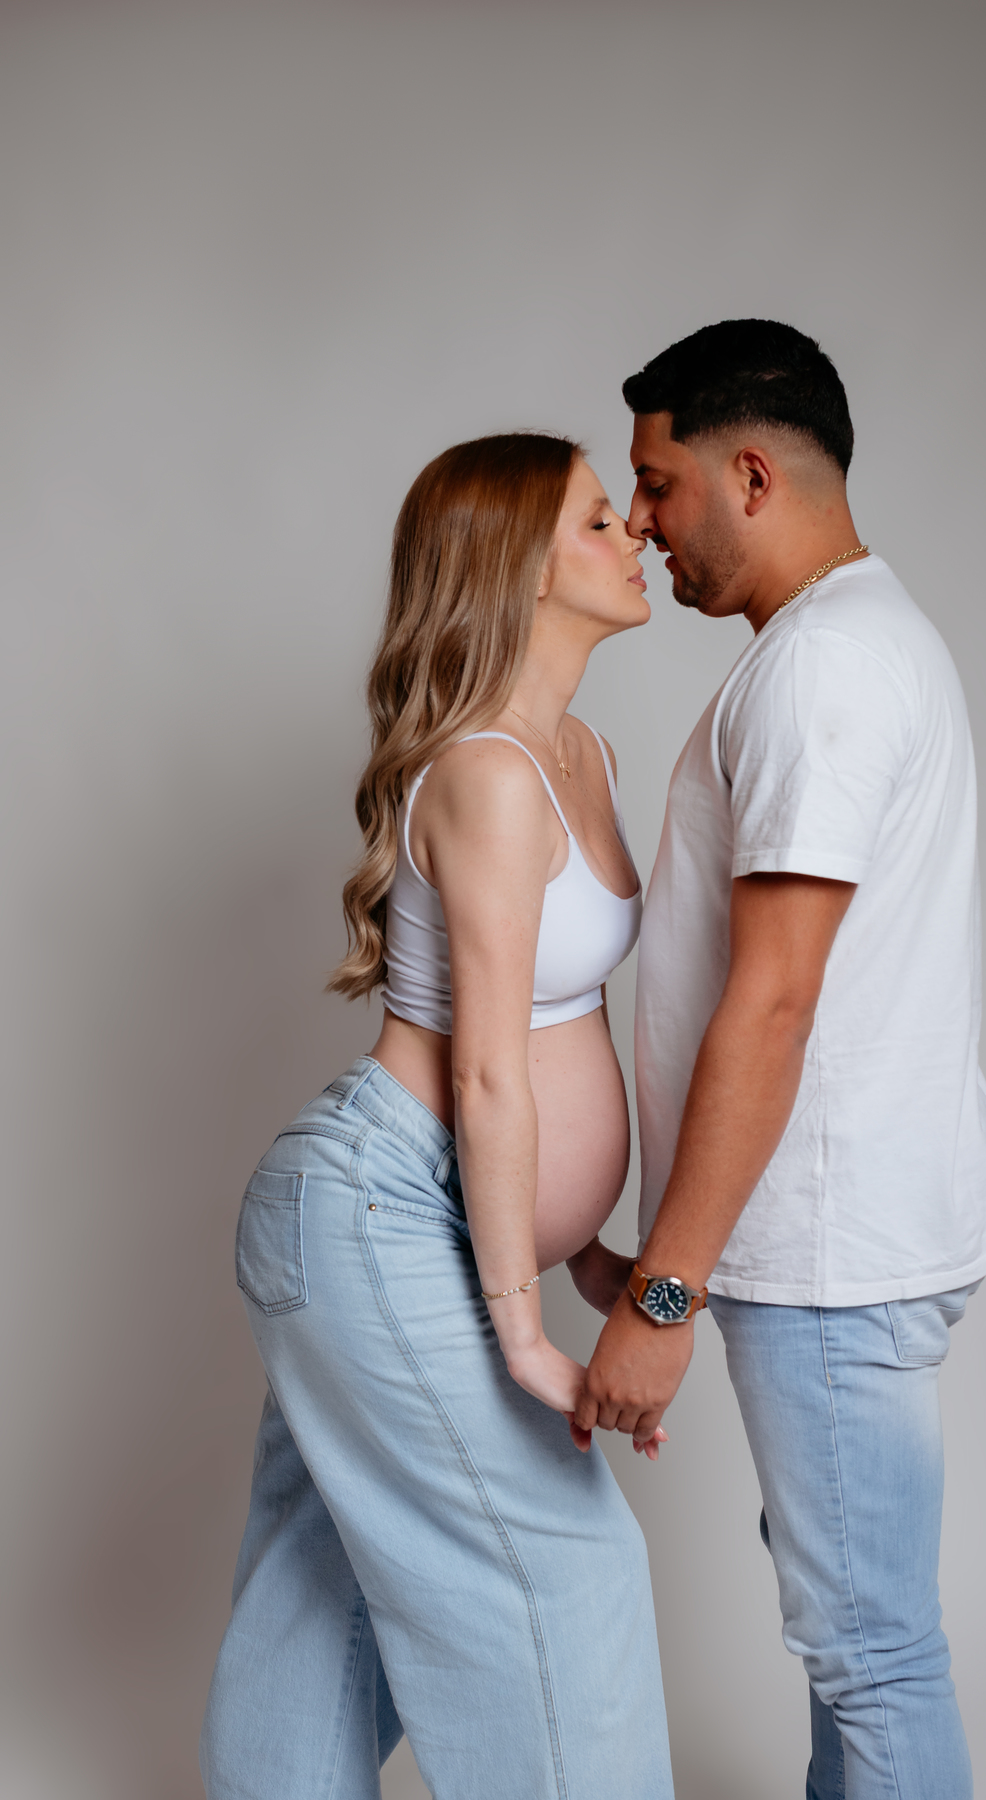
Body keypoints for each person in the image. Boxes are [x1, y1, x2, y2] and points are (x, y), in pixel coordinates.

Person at [575, 321, 986, 1800]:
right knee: (857, 1650)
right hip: (847, 1235)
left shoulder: (822, 669)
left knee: (871, 1655)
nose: (642, 522)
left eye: (658, 484)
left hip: (830, 1255)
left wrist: (666, 1291)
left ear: (752, 474)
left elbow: (773, 1005)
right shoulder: (860, 640)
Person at [200, 433, 674, 1800]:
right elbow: (486, 1073)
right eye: (600, 519)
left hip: (433, 1214)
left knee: (321, 1602)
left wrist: (586, 1247)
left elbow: (564, 1025)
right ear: (521, 564)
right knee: (567, 1577)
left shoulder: (582, 753)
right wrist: (524, 1332)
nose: (636, 534)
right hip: (379, 1206)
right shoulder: (486, 773)